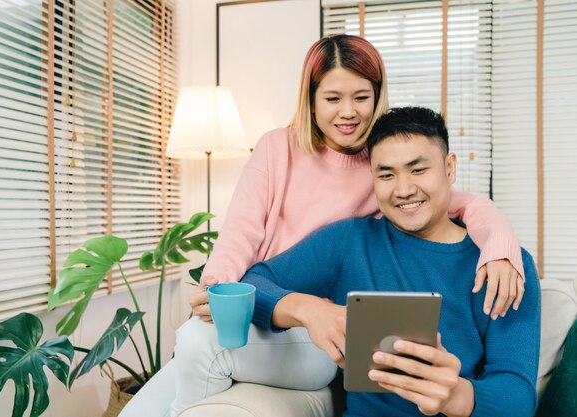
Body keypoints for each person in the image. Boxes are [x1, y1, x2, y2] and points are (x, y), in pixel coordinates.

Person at [119, 35, 525, 417]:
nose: (347, 112)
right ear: (311, 102)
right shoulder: (277, 147)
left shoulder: (381, 166)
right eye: (332, 98)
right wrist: (217, 287)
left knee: (195, 344)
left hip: (317, 337)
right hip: (265, 306)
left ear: (377, 97)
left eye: (361, 97)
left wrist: (502, 246)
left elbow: (458, 203)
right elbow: (240, 232)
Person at [240, 106, 541, 416]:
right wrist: (308, 309)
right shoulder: (350, 241)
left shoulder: (504, 266)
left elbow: (518, 395)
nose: (404, 189)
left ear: (450, 169)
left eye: (418, 169)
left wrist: (455, 396)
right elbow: (251, 282)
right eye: (386, 174)